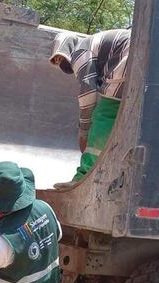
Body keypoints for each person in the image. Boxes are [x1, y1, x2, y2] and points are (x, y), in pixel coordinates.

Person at [49, 29, 131, 189]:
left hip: (128, 59)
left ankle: (84, 177)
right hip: (141, 56)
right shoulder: (97, 43)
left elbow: (88, 92)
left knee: (103, 116)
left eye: (59, 59)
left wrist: (84, 131)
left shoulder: (80, 50)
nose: (60, 63)